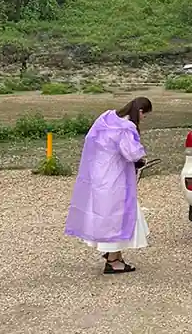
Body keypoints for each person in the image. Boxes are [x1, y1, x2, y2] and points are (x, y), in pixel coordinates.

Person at [64, 97, 153, 274]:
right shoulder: (126, 127)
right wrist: (140, 159)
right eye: (145, 115)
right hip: (116, 177)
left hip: (100, 174)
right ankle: (113, 261)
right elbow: (131, 152)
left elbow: (93, 139)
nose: (143, 119)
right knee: (117, 216)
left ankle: (115, 254)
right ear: (140, 111)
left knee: (107, 214)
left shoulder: (107, 118)